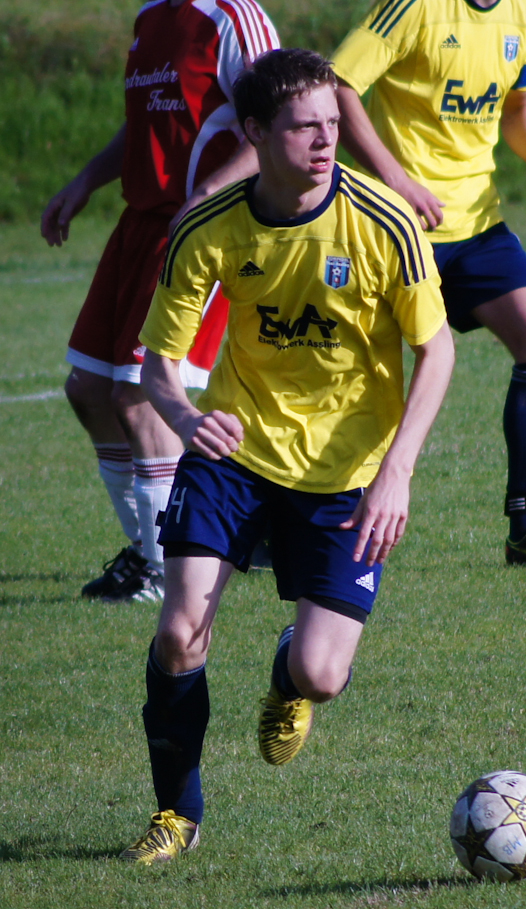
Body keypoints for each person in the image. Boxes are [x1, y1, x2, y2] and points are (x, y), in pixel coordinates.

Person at [118, 48, 455, 863]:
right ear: (256, 133)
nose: (326, 139)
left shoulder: (385, 223)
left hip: (348, 470)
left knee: (321, 674)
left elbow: (437, 350)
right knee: (179, 633)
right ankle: (177, 814)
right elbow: (160, 365)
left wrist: (398, 471)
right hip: (234, 453)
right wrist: (184, 416)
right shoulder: (209, 228)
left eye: (333, 123)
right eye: (305, 126)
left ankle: (288, 678)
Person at [332, 0, 526, 564]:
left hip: (477, 225)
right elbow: (337, 85)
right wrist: (396, 181)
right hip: (395, 221)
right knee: (351, 366)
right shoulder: (414, 7)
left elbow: (518, 110)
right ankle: (289, 515)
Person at [40, 0, 279, 602]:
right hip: (138, 225)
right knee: (89, 390)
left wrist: (208, 195)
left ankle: (165, 568)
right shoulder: (151, 18)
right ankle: (149, 550)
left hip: (195, 228)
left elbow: (278, 121)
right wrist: (84, 181)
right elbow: (141, 129)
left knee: (142, 397)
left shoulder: (232, 18)